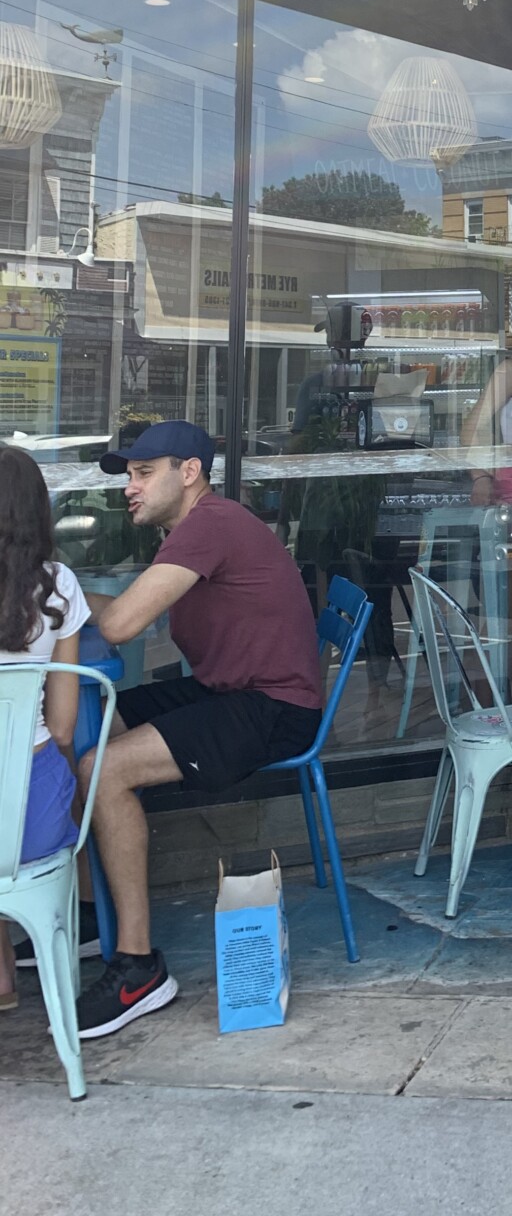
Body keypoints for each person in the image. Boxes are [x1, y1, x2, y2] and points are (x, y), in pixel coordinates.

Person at [74, 421, 323, 1039]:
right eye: (127, 476)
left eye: (142, 473)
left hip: (273, 707)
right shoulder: (190, 532)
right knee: (89, 726)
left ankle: (138, 970)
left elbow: (123, 625)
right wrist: (58, 594)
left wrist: (68, 600)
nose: (129, 488)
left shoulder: (210, 524)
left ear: (189, 474)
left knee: (102, 767)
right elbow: (113, 611)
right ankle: (86, 917)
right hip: (233, 689)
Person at [0, 446, 88, 1011]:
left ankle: (2, 979)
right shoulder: (60, 589)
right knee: (61, 782)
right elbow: (60, 728)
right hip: (29, 821)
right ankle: (63, 946)